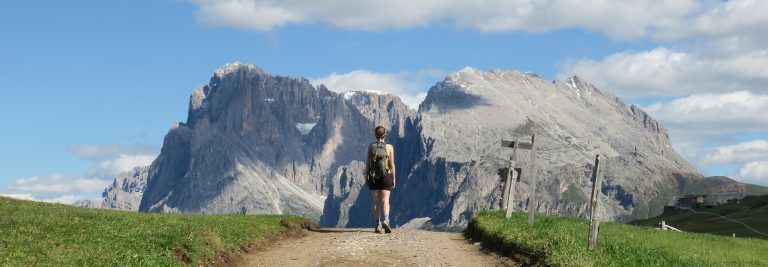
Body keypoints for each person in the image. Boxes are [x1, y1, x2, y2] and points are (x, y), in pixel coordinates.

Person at [365, 126, 396, 233]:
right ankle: (386, 220)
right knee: (385, 200)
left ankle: (378, 224)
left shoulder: (371, 146)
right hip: (386, 176)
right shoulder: (389, 147)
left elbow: (368, 164)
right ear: (385, 135)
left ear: (375, 135)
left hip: (373, 177)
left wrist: (366, 177)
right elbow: (392, 165)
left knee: (376, 202)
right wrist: (393, 178)